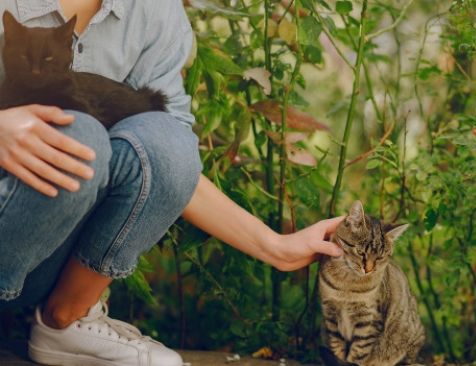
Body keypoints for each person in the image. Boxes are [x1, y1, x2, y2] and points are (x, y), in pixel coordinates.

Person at [0, 1, 343, 365]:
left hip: (50, 260)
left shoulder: (152, 10)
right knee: (79, 133)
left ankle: (65, 321)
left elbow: (167, 163)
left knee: (166, 138)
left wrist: (276, 246)